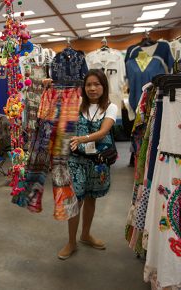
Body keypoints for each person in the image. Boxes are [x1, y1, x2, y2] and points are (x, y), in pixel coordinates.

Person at [58, 69, 118, 260]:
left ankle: (85, 235)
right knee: (76, 201)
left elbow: (103, 131)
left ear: (104, 87)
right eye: (89, 85)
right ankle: (71, 241)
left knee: (91, 198)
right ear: (84, 88)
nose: (92, 88)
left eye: (97, 84)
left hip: (98, 162)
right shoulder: (76, 105)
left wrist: (82, 138)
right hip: (76, 161)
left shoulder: (111, 107)